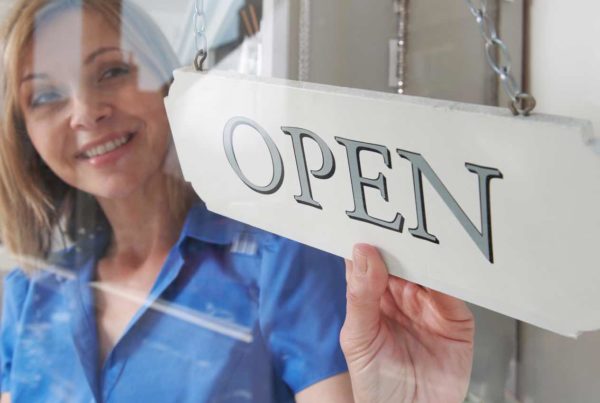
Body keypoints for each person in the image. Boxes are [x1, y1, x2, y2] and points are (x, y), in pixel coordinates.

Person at [0, 0, 474, 402]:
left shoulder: (280, 255)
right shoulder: (26, 293)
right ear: (24, 136)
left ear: (165, 81)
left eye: (112, 71)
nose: (86, 112)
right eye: (45, 97)